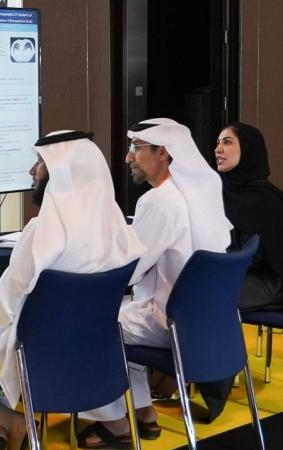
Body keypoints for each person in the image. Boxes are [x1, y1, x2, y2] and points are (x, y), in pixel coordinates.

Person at [0, 131, 146, 450]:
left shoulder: (43, 231)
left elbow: (5, 305)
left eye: (40, 162)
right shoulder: (118, 231)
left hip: (29, 356)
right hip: (94, 355)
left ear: (60, 170)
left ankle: (5, 420)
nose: (32, 170)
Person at [79, 118, 233, 448]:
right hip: (210, 326)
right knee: (121, 314)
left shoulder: (159, 201)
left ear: (163, 152)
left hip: (169, 322)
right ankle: (144, 412)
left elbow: (129, 271)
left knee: (87, 322)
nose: (128, 158)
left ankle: (113, 422)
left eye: (136, 148)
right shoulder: (195, 194)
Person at [215, 122, 283, 312]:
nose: (218, 149)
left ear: (248, 149)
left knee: (204, 293)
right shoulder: (224, 192)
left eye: (227, 142)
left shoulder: (265, 198)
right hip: (239, 274)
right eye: (218, 142)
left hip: (272, 282)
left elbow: (256, 257)